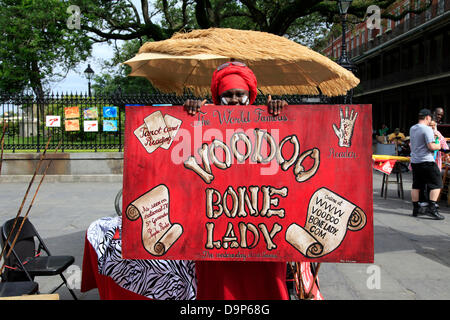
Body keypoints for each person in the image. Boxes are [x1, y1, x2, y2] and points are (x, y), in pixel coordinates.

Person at [183, 61, 321, 300]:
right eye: (228, 95)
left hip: (264, 232)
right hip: (215, 231)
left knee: (267, 290)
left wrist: (285, 115)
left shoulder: (269, 118)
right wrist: (187, 113)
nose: (235, 100)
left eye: (240, 94)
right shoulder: (200, 121)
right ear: (217, 96)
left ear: (250, 95)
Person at [410, 108, 445, 220]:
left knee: (417, 185)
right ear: (427, 117)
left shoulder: (413, 128)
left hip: (415, 161)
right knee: (437, 183)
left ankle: (416, 209)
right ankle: (432, 208)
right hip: (427, 161)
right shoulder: (427, 129)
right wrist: (438, 144)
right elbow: (431, 147)